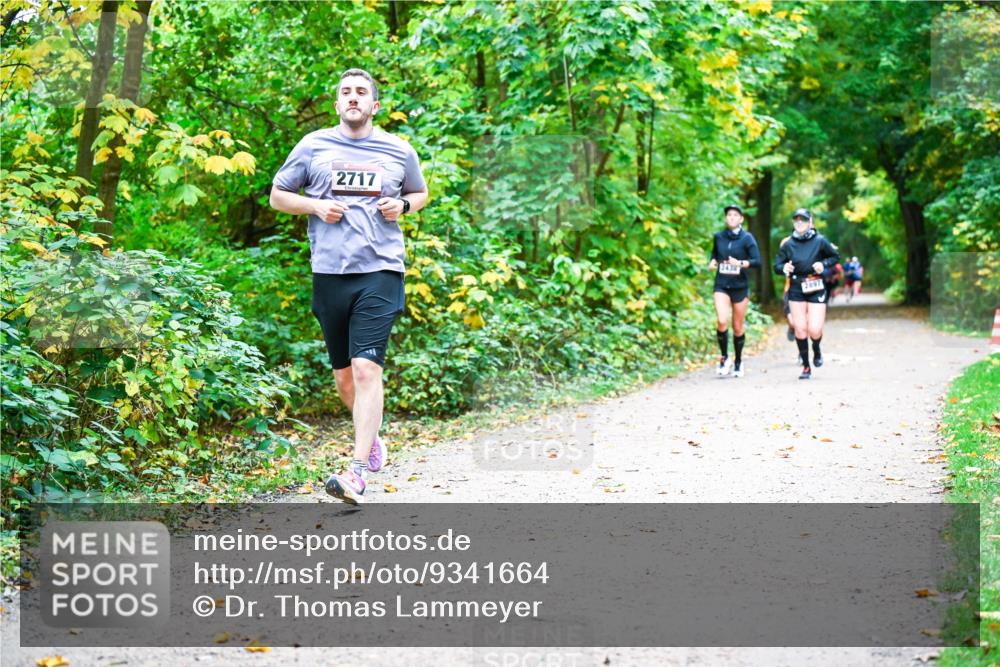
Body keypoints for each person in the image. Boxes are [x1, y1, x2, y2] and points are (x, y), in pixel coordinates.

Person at [270, 68, 429, 504]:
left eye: (361, 92)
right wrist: (316, 206)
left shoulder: (398, 150)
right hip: (329, 272)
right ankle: (371, 437)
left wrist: (404, 205)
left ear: (374, 105)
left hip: (381, 270)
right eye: (346, 92)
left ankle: (356, 472)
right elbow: (278, 195)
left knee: (366, 368)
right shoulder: (313, 147)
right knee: (344, 378)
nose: (353, 97)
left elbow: (420, 192)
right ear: (337, 104)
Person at [773, 208, 839, 380]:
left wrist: (823, 265)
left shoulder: (820, 240)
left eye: (803, 219)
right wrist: (784, 268)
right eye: (796, 220)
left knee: (814, 329)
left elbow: (834, 257)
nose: (799, 222)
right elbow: (777, 265)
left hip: (816, 285)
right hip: (796, 287)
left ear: (810, 222)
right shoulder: (788, 244)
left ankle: (816, 349)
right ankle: (806, 366)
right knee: (800, 329)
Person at [708, 204, 761, 378]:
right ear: (726, 218)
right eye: (729, 215)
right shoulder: (719, 237)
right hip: (722, 284)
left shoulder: (747, 238)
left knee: (737, 327)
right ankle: (724, 358)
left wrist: (740, 263)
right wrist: (713, 262)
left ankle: (738, 361)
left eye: (735, 215)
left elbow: (757, 261)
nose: (731, 217)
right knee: (722, 321)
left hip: (740, 286)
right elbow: (714, 254)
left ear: (741, 219)